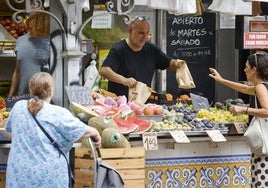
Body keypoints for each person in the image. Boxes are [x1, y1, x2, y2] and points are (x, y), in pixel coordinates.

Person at [5, 72, 101, 187]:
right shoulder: (58, 113)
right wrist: (96, 133)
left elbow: (10, 131)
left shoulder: (18, 107)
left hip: (18, 177)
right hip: (49, 178)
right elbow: (82, 131)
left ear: (31, 90)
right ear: (51, 91)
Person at [209, 51, 268, 187]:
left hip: (264, 150)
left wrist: (244, 109)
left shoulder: (260, 87)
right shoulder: (263, 86)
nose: (244, 69)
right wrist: (222, 80)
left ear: (254, 70)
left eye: (247, 66)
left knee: (261, 182)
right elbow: (244, 88)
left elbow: (267, 110)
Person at [99, 16, 186, 98]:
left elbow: (169, 63)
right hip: (120, 103)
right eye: (141, 33)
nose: (145, 37)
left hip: (143, 102)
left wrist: (177, 63)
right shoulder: (119, 49)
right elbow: (104, 70)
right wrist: (125, 80)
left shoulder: (151, 49)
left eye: (147, 33)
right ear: (130, 31)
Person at [8, 12, 50, 97]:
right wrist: (10, 97)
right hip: (23, 97)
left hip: (45, 99)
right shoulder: (21, 41)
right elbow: (17, 72)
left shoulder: (52, 42)